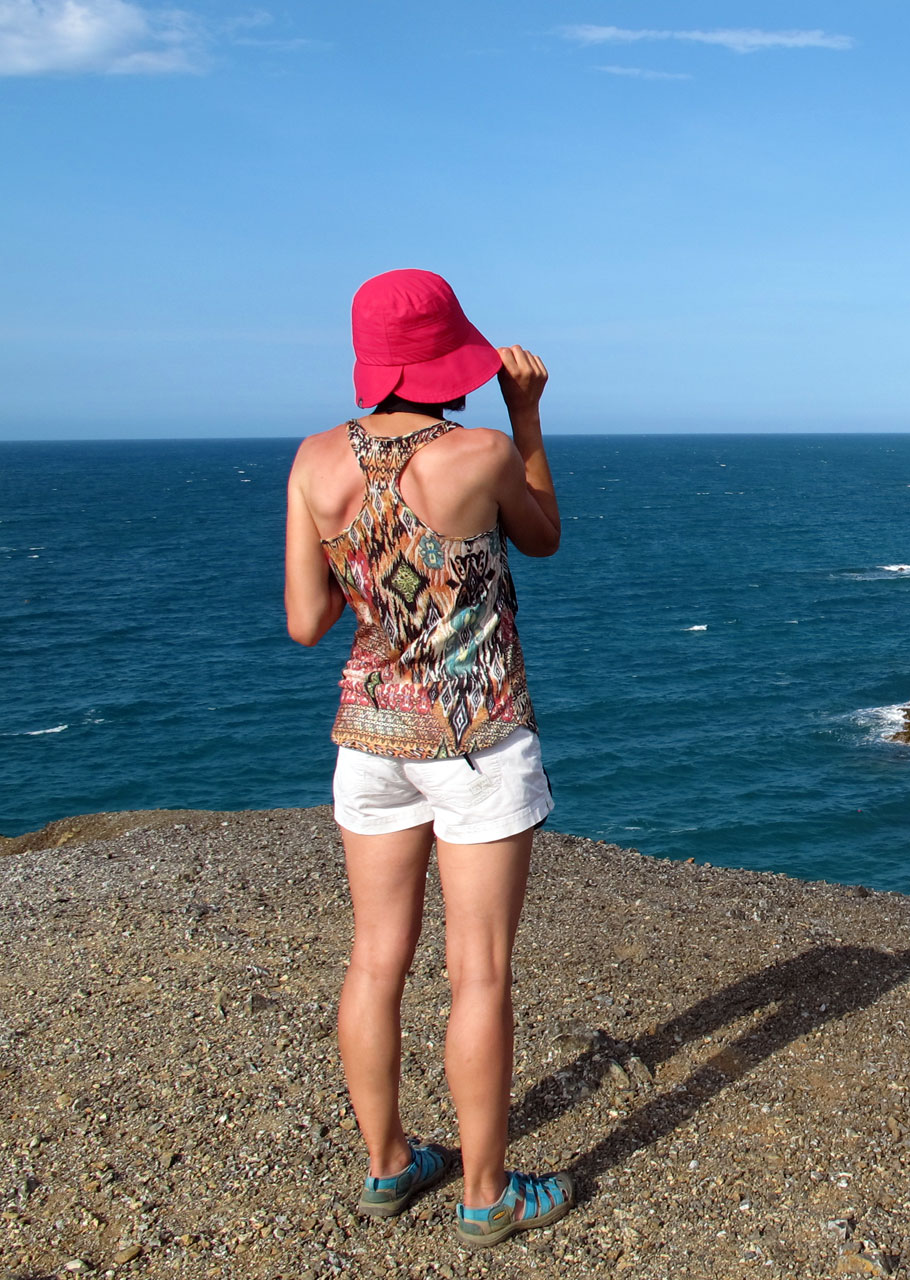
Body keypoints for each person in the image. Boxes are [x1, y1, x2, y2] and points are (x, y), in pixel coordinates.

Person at [282, 269, 572, 1249]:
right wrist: (526, 417)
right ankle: (486, 1193)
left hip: (366, 737)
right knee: (478, 970)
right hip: (476, 734)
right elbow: (544, 537)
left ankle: (389, 1162)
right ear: (450, 354)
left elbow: (305, 619)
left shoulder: (316, 461)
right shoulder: (482, 450)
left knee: (376, 958)